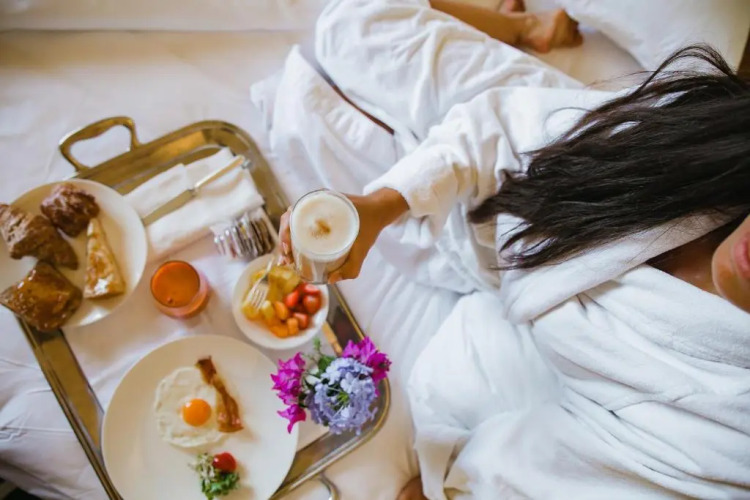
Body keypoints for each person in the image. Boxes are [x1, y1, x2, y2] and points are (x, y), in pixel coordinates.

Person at [280, 0, 750, 498]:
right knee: (350, 23)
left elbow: (537, 474)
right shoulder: (715, 143)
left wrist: (442, 485)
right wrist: (384, 203)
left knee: (300, 108)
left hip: (498, 259)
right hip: (556, 163)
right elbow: (504, 130)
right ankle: (528, 27)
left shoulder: (721, 429)